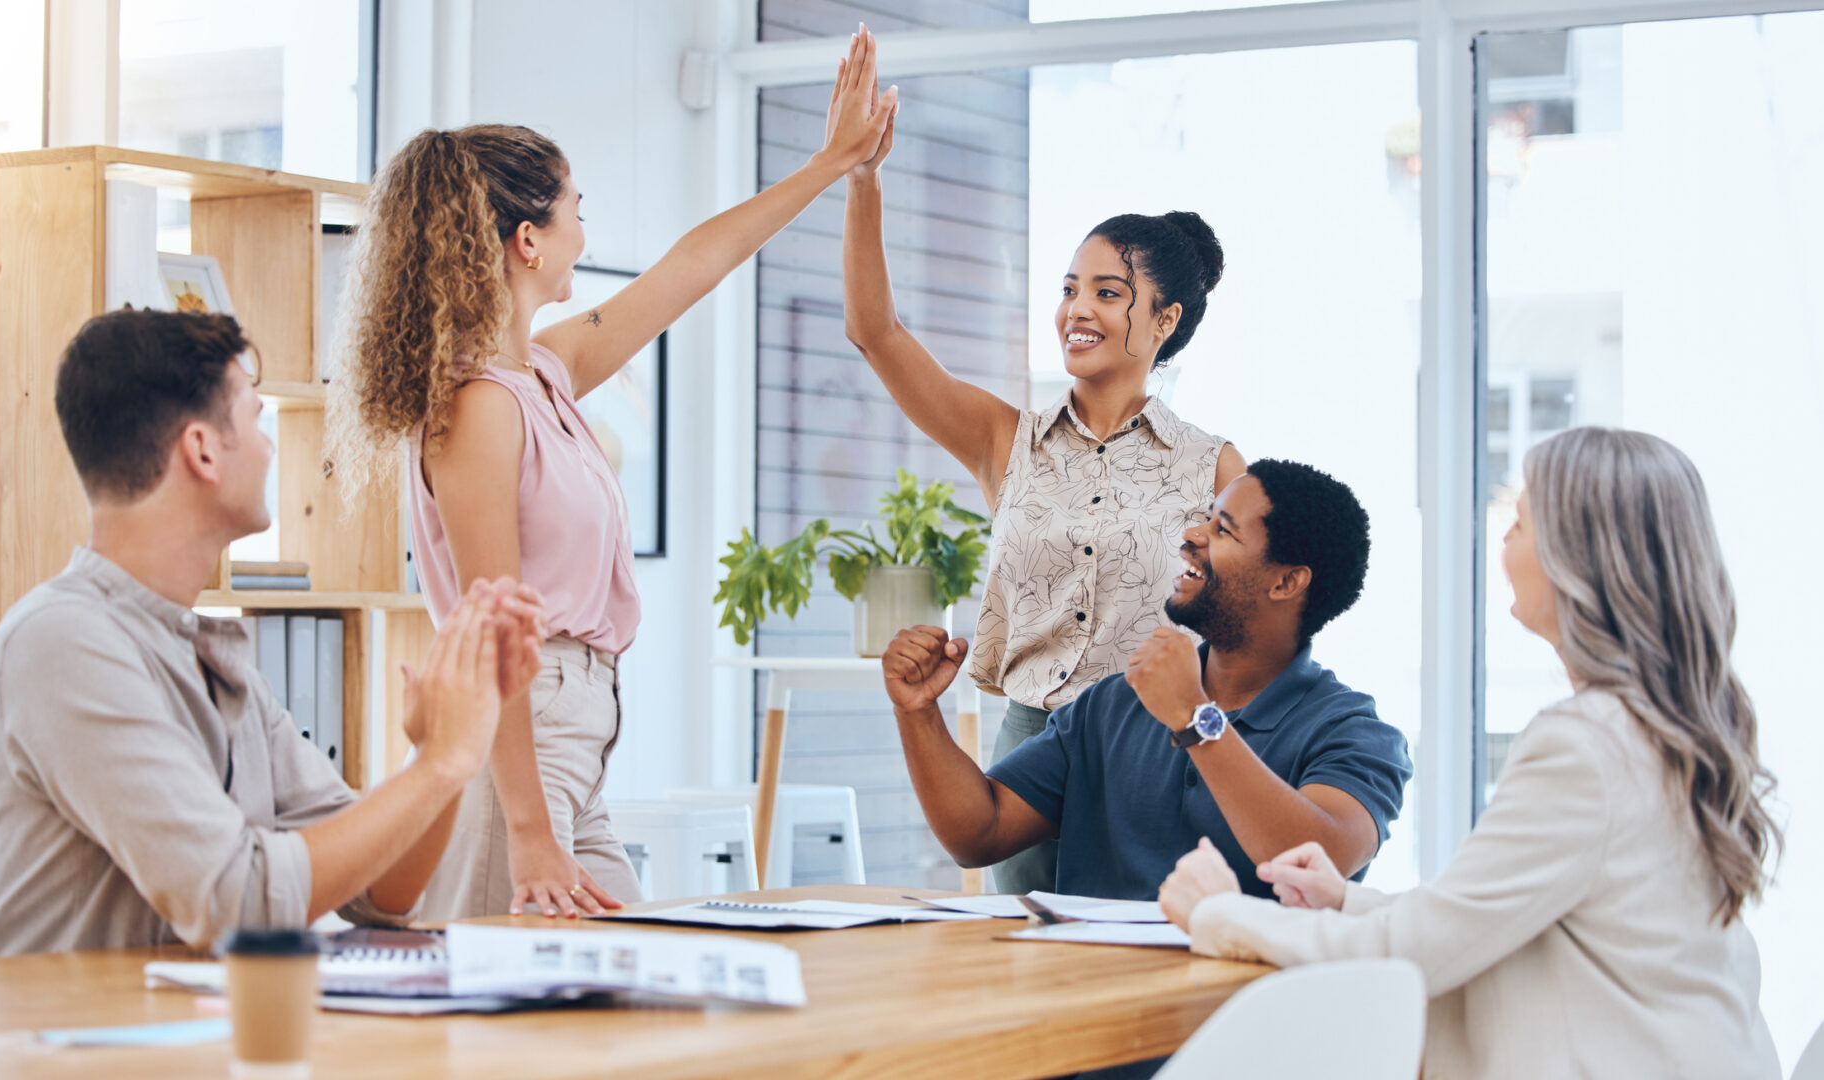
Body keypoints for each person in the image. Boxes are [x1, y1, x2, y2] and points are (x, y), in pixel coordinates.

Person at [327, 29, 898, 920]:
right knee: (515, 1033)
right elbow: (493, 635)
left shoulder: (543, 372)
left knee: (637, 987)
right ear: (528, 241)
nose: (583, 229)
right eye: (574, 208)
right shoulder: (478, 407)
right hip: (521, 748)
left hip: (577, 745)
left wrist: (831, 164)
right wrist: (526, 828)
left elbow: (691, 266)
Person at [1161, 428, 1782, 1079]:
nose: (1503, 538)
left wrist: (1217, 913)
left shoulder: (1582, 746)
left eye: (1520, 520)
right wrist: (1343, 900)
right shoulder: (1666, 728)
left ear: (1582, 557)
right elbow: (1506, 917)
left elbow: (1408, 957)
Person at [0, 310, 546, 957]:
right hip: (63, 1054)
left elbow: (383, 889)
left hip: (190, 1048)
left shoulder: (208, 657)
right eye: (256, 419)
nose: (270, 448)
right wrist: (441, 763)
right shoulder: (62, 643)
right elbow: (236, 903)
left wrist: (448, 739)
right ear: (202, 450)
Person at [843, 98, 1247, 895]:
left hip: (1152, 746)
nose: (1075, 311)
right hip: (1029, 743)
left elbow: (1251, 624)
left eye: (1106, 293)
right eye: (1070, 289)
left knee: (1138, 968)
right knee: (1024, 958)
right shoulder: (1006, 441)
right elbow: (875, 332)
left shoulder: (1214, 466)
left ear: (1163, 319)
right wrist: (863, 180)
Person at [881, 460, 1411, 901]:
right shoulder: (1113, 704)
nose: (1192, 536)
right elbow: (981, 831)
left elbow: (1321, 859)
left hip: (1244, 1017)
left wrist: (1193, 719)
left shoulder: (1354, 733)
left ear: (1288, 581)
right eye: (1206, 518)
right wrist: (918, 712)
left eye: (1222, 529)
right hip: (1095, 1002)